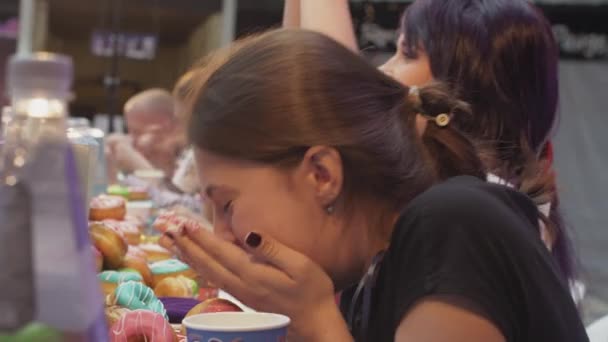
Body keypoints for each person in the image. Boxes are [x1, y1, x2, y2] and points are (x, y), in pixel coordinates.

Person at [162, 30, 588, 342]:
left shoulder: (453, 226)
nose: (220, 232)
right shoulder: (365, 276)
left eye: (227, 204)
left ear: (322, 175)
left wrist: (314, 322)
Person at [282, 0, 576, 286]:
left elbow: (332, 91)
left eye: (407, 54)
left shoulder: (465, 211)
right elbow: (292, 77)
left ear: (464, 82)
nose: (383, 69)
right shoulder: (487, 202)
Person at [106, 88, 185, 182]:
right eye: (130, 132)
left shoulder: (192, 157)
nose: (133, 141)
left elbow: (171, 195)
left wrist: (135, 161)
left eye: (138, 132)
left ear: (168, 127)